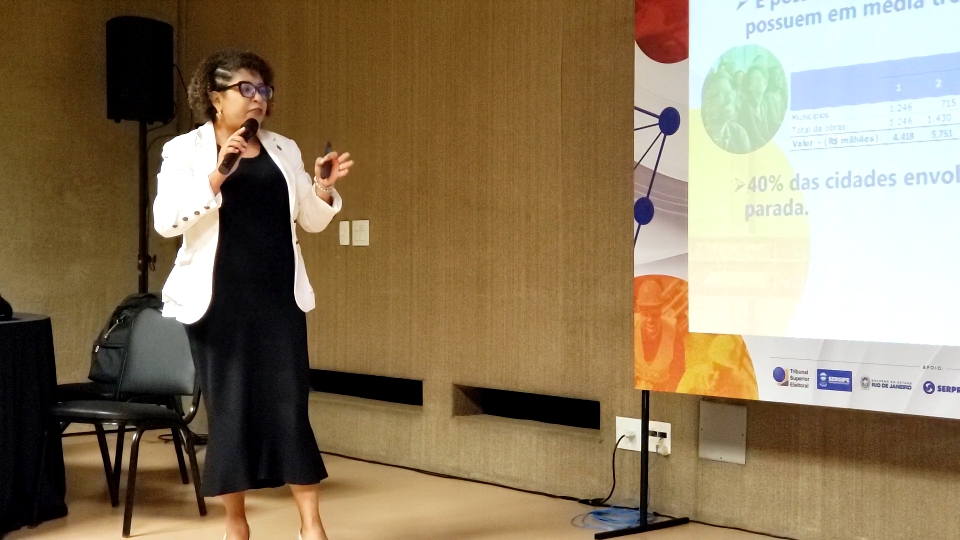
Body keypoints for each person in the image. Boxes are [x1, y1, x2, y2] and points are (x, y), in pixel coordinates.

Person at [153, 50, 353, 540]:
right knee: (231, 412)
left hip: (278, 300)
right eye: (246, 89)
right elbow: (166, 222)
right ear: (215, 97)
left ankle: (312, 526)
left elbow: (310, 220)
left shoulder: (283, 149)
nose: (258, 98)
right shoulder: (184, 151)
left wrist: (322, 189)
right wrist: (218, 172)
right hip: (218, 304)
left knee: (290, 406)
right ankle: (237, 526)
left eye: (264, 90)